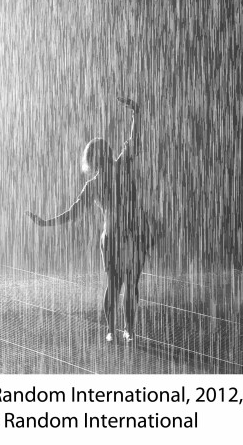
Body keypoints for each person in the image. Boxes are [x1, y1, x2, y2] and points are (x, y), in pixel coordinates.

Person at [28, 96, 152, 342]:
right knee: (128, 285)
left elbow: (72, 213)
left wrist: (46, 223)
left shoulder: (97, 183)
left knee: (115, 285)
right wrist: (136, 113)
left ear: (92, 161)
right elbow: (133, 140)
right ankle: (127, 330)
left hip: (117, 237)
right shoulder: (122, 167)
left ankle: (114, 330)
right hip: (132, 234)